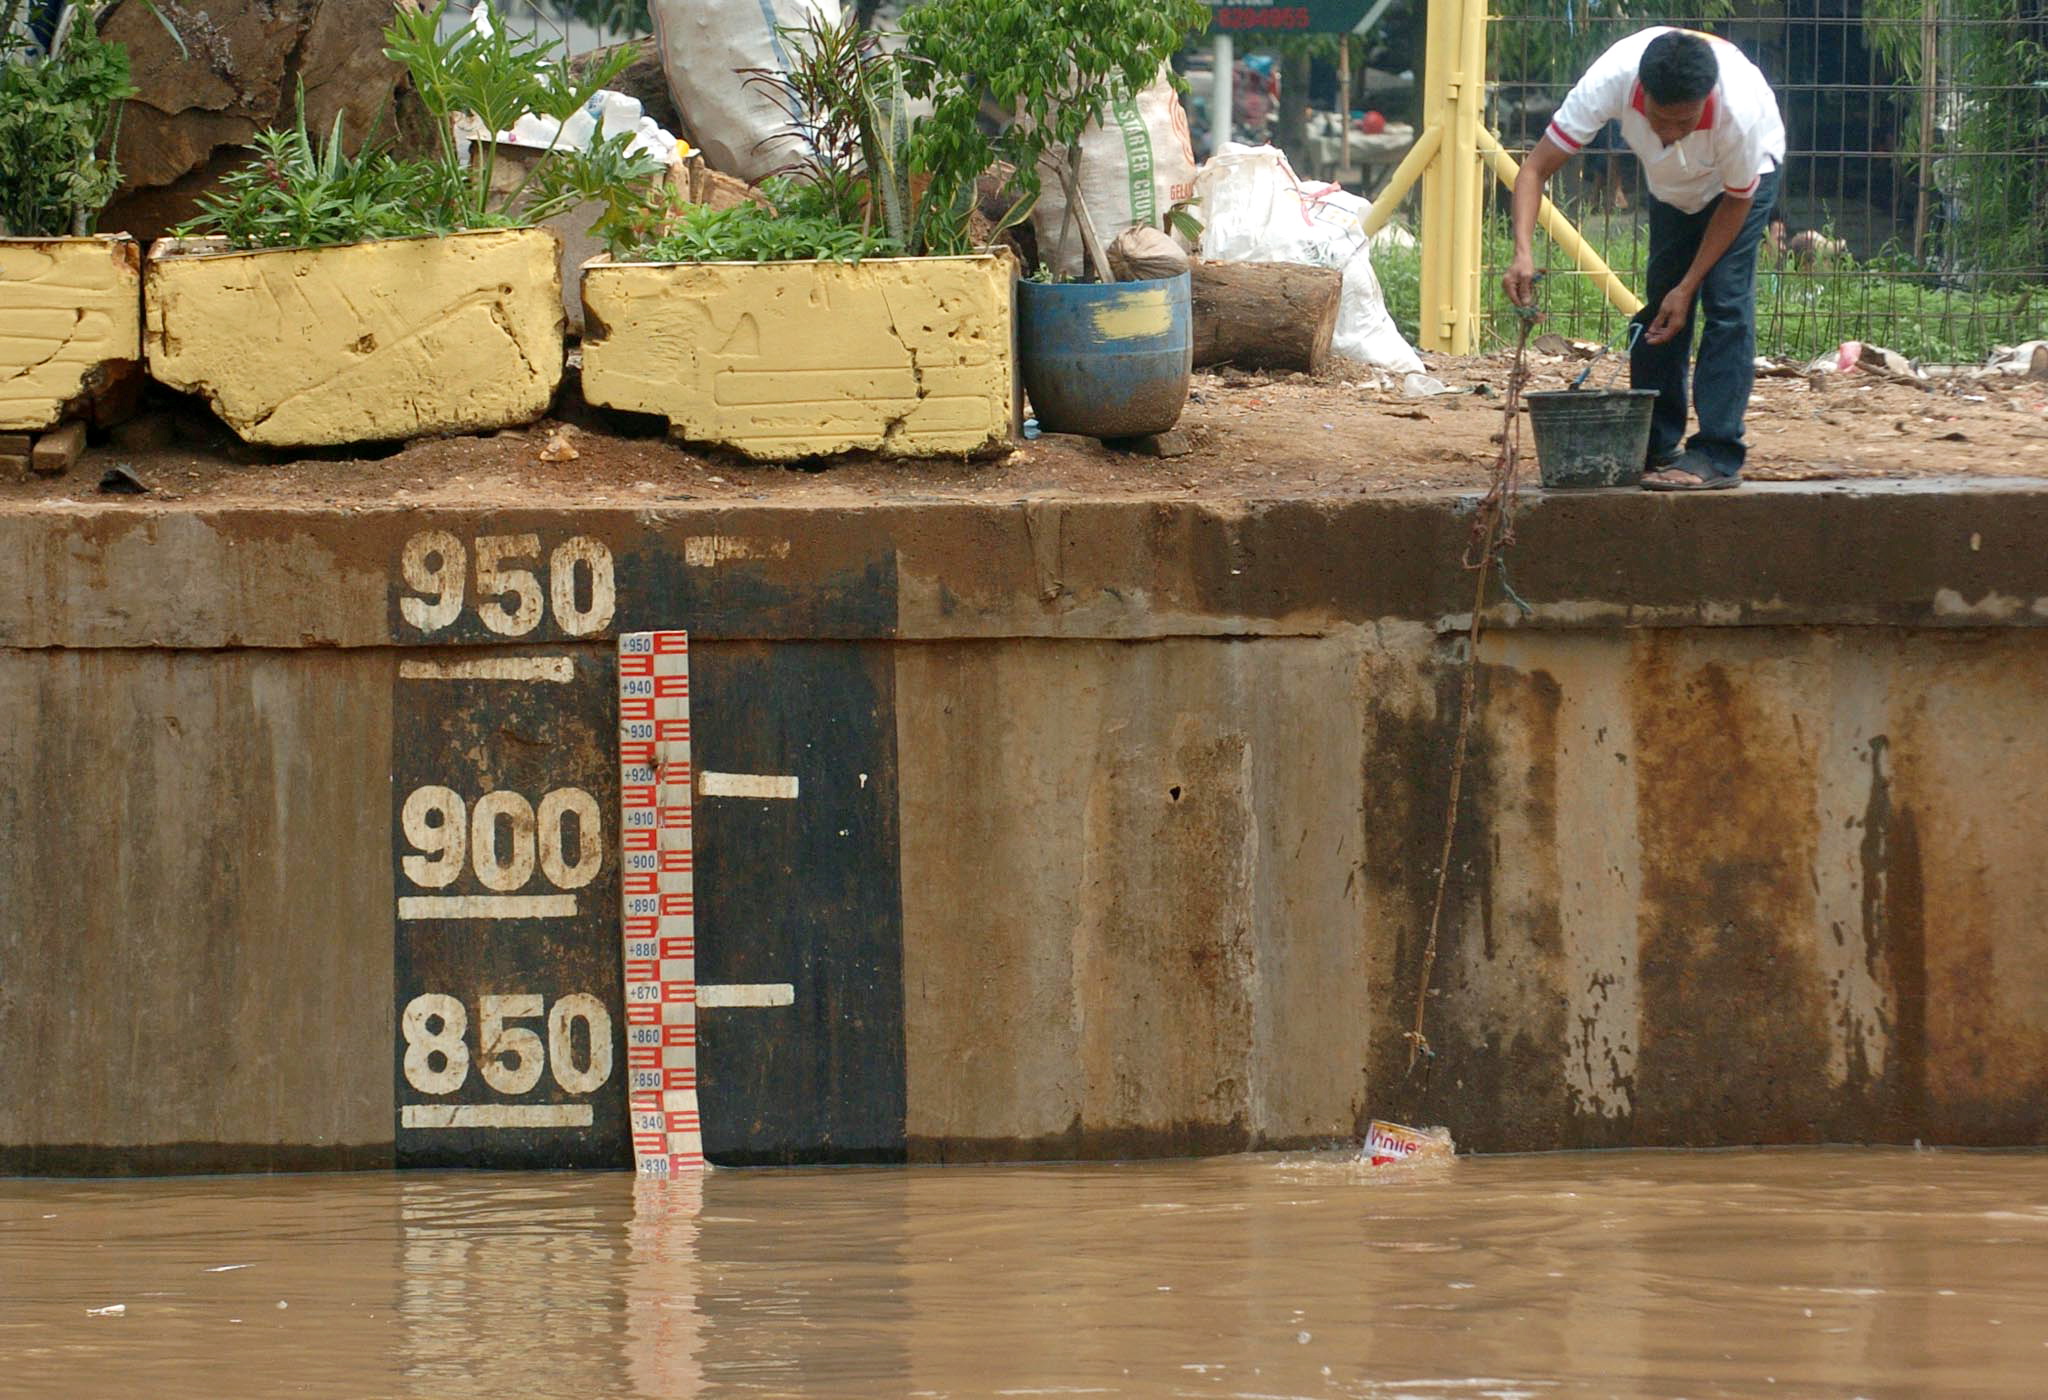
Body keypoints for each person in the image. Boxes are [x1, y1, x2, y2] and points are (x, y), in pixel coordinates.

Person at [1504, 28, 1785, 491]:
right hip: (1671, 187)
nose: (1670, 133)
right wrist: (1523, 252)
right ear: (1640, 93)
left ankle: (1717, 453)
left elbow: (1738, 199)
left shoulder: (1741, 111)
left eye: (1685, 121)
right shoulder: (1611, 79)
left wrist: (1689, 285)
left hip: (1741, 185)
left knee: (1726, 301)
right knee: (1660, 304)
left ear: (1706, 100)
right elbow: (1534, 169)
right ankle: (1655, 443)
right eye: (1659, 120)